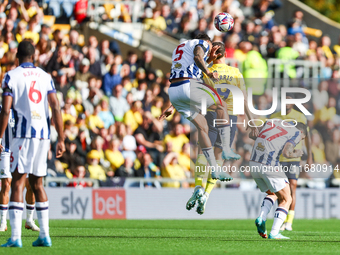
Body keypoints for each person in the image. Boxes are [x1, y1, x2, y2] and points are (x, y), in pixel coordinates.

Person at [0, 40, 65, 248]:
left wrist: (0, 136)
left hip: (22, 134)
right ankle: (45, 236)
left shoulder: (11, 76)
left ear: (17, 56)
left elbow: (5, 109)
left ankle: (15, 237)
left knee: (18, 183)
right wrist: (61, 137)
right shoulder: (45, 77)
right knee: (37, 184)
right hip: (43, 136)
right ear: (34, 56)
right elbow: (55, 107)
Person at [194, 41, 258, 215]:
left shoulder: (205, 70)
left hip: (211, 113)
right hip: (229, 118)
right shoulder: (235, 72)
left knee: (202, 153)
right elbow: (244, 99)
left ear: (213, 53)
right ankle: (206, 194)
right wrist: (252, 122)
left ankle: (198, 188)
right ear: (224, 54)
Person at [249, 120, 308, 239]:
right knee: (287, 198)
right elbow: (287, 152)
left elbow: (252, 134)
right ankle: (275, 232)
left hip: (253, 163)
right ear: (301, 132)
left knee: (273, 193)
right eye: (302, 139)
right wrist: (297, 153)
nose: (299, 140)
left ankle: (262, 217)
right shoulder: (296, 132)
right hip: (269, 164)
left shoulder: (272, 121)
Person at [270, 94, 312, 231]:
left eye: (289, 101)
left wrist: (309, 156)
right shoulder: (274, 117)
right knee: (281, 191)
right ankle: (281, 220)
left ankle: (289, 222)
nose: (286, 103)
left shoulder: (300, 117)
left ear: (293, 103)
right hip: (279, 158)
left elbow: (308, 137)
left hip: (294, 158)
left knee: (293, 186)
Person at [0, 105, 39, 232]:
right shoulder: (2, 108)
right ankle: (2, 221)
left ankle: (29, 220)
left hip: (22, 150)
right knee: (6, 184)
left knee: (30, 185)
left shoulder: (25, 108)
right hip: (6, 149)